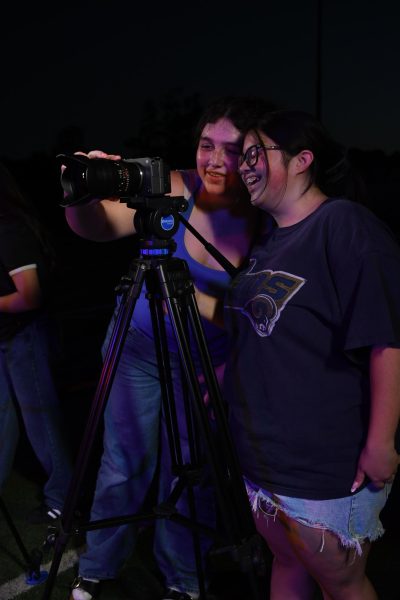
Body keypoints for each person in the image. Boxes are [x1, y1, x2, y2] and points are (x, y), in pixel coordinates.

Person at [63, 96, 275, 600]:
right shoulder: (176, 184)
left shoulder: (264, 213)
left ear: (256, 155)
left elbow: (260, 315)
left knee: (191, 467)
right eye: (206, 145)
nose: (216, 161)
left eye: (232, 149)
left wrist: (193, 303)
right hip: (136, 346)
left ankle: (183, 577)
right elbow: (100, 228)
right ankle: (98, 568)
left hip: (207, 361)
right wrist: (86, 195)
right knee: (124, 460)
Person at [218, 109, 400, 599]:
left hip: (323, 460)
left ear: (302, 160)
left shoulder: (344, 225)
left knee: (340, 580)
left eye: (258, 153)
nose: (246, 166)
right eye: (244, 155)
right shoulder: (268, 242)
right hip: (263, 454)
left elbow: (385, 340)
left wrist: (381, 443)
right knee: (287, 560)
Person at [0, 161, 73, 523]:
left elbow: (29, 297)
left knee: (41, 421)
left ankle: (65, 498)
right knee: (4, 419)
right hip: (8, 337)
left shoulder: (9, 227)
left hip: (26, 337)